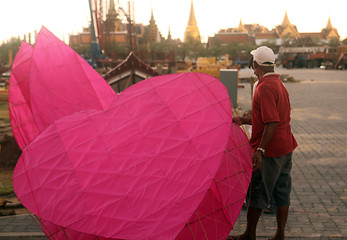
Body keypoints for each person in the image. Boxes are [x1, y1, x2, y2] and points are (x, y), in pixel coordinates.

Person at [229, 46, 297, 240]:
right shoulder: (278, 84)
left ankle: (249, 234)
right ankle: (280, 235)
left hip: (271, 151)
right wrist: (244, 120)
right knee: (282, 191)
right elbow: (268, 118)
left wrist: (260, 150)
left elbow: (272, 122)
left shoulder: (264, 87)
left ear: (255, 64)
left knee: (258, 191)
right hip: (286, 146)